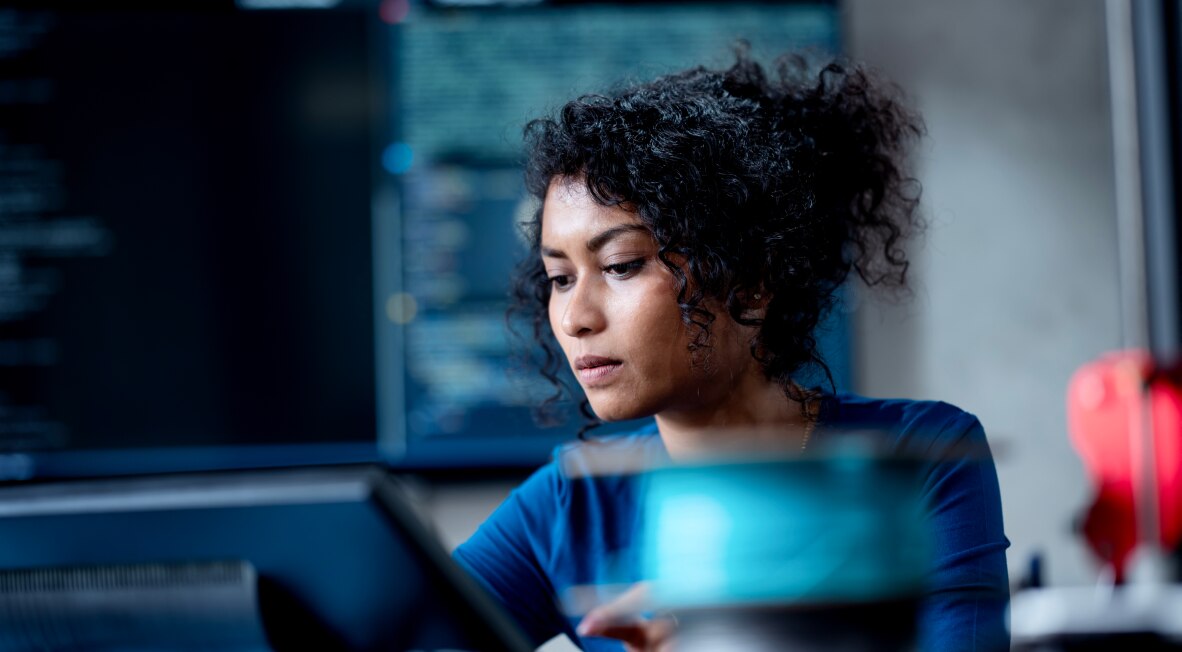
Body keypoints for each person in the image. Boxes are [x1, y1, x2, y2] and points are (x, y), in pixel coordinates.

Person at [454, 50, 1009, 652]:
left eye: (620, 266)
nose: (575, 317)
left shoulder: (920, 460)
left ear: (748, 284)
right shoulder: (567, 505)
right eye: (560, 278)